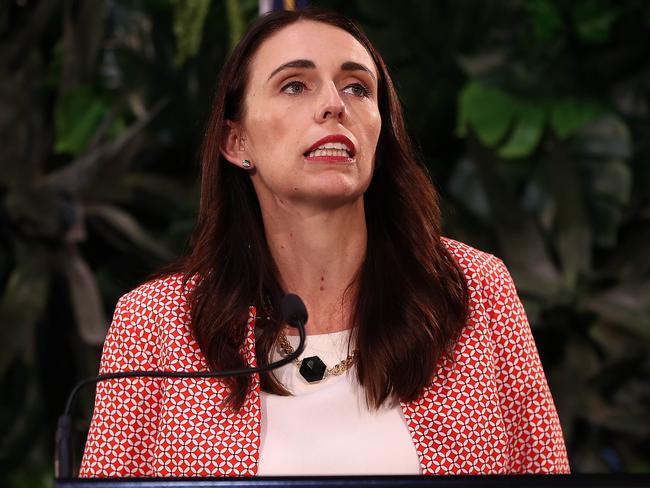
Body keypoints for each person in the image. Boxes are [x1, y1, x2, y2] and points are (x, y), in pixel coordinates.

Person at [80, 8, 570, 477]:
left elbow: (545, 474)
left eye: (358, 87)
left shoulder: (474, 289)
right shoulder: (156, 323)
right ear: (237, 142)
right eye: (294, 85)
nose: (335, 103)